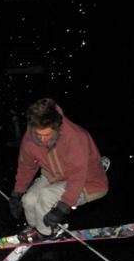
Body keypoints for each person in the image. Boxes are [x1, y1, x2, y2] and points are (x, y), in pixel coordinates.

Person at [9, 98, 108, 242]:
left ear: (56, 127)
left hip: (87, 182)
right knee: (29, 200)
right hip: (53, 176)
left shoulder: (75, 137)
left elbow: (77, 176)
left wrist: (63, 207)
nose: (42, 140)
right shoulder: (30, 139)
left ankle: (47, 232)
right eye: (39, 135)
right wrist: (17, 193)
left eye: (47, 135)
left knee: (46, 195)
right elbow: (26, 167)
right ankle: (35, 228)